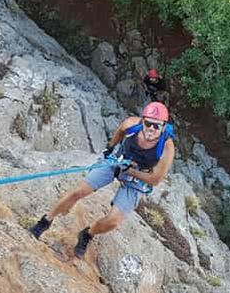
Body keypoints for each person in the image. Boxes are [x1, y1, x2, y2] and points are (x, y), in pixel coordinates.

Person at [29, 101, 175, 258]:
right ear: (143, 120)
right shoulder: (131, 125)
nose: (151, 129)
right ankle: (45, 221)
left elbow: (154, 179)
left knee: (113, 221)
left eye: (157, 126)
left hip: (138, 176)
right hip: (118, 160)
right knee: (79, 191)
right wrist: (110, 148)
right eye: (148, 123)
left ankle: (88, 234)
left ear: (164, 126)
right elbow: (120, 131)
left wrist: (131, 172)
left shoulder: (167, 148)